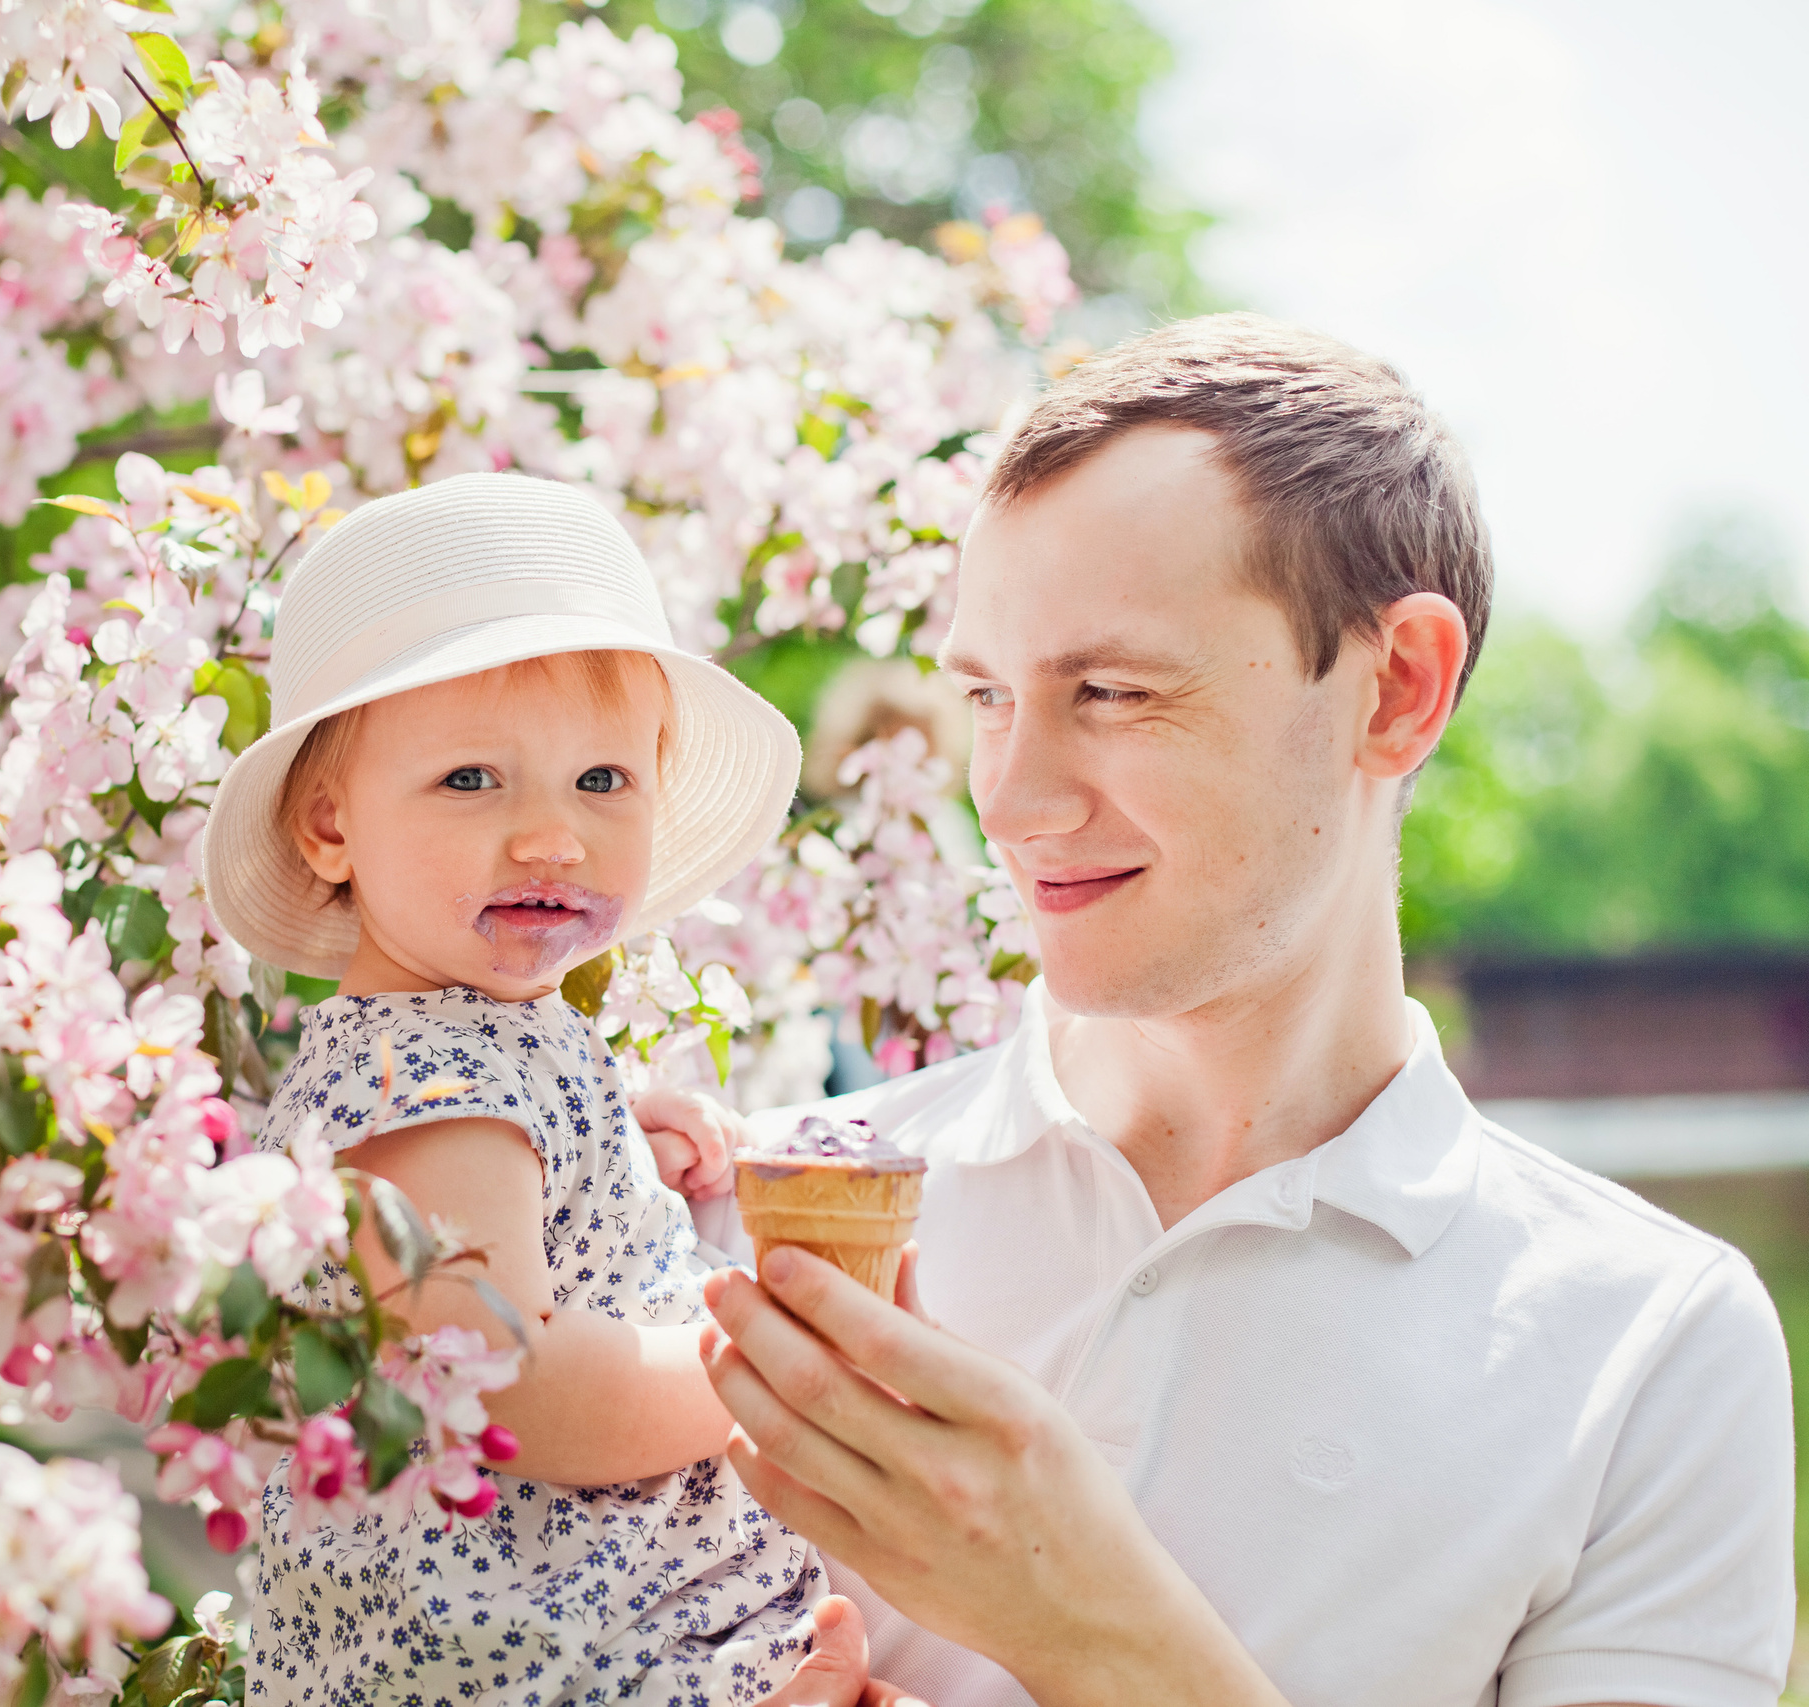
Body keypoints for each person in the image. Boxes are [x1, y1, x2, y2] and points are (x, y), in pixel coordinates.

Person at [640, 315, 1798, 1707]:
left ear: (1397, 688)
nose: (1004, 795)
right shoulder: (733, 1219)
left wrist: (1096, 1627)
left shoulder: (1651, 1347)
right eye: (990, 695)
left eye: (1113, 690)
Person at [201, 474, 853, 1706]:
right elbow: (516, 1384)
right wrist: (755, 1353)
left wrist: (615, 1143)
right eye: (471, 781)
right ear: (330, 826)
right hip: (556, 1667)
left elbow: (509, 1219)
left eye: (601, 783)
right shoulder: (429, 1091)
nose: (550, 837)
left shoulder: (463, 1053)